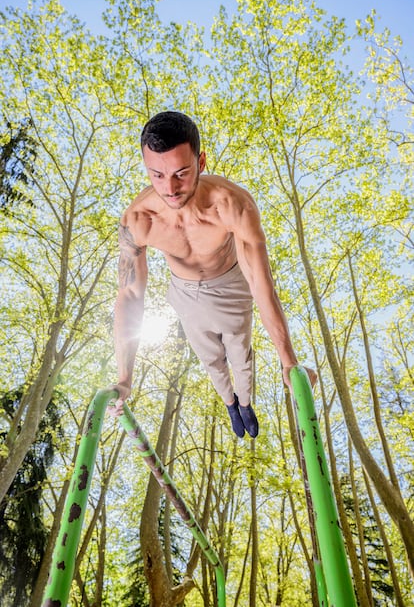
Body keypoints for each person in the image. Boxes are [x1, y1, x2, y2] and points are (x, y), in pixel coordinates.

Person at [110, 111, 316, 438]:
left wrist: (287, 360)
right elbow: (131, 295)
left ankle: (245, 403)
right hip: (184, 291)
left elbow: (262, 285)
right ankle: (230, 403)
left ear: (201, 161)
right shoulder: (139, 219)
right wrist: (124, 378)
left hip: (231, 281)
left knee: (240, 357)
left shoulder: (232, 205)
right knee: (211, 360)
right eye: (157, 175)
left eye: (181, 173)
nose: (170, 188)